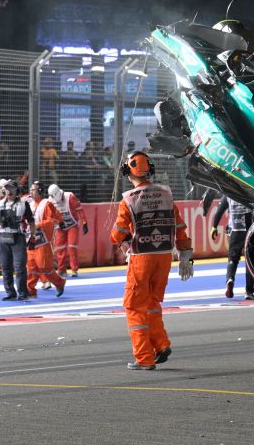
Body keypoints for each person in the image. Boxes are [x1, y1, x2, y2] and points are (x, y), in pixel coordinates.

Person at [109, 151, 193, 371]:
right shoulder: (166, 194)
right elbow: (179, 227)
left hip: (141, 258)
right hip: (164, 257)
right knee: (152, 304)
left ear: (128, 172)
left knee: (134, 306)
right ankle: (161, 345)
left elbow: (117, 234)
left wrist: (119, 239)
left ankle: (144, 358)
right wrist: (185, 253)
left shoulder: (128, 199)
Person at [209, 193, 254, 300]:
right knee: (250, 261)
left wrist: (214, 226)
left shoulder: (228, 194)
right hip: (250, 230)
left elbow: (219, 211)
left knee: (232, 258)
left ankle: (230, 279)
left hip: (235, 230)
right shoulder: (250, 193)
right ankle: (249, 291)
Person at [0, 178, 33, 301]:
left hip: (18, 237)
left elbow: (31, 221)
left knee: (19, 266)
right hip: (3, 237)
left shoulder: (24, 204)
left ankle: (22, 292)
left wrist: (32, 235)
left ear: (17, 190)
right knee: (5, 267)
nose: (9, 191)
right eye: (7, 188)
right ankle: (10, 292)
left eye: (12, 188)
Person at [25, 182, 66, 297]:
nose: (31, 191)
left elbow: (51, 220)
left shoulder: (46, 204)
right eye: (31, 189)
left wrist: (37, 225)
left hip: (42, 241)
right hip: (31, 240)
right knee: (31, 266)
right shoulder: (29, 204)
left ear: (40, 191)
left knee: (45, 267)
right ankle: (31, 290)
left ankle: (59, 283)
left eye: (33, 189)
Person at [48, 183, 88, 277]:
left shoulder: (69, 196)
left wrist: (84, 222)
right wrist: (56, 222)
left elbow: (79, 209)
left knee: (72, 246)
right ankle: (61, 270)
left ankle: (74, 269)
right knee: (59, 247)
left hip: (72, 225)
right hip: (60, 226)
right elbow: (50, 215)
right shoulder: (50, 201)